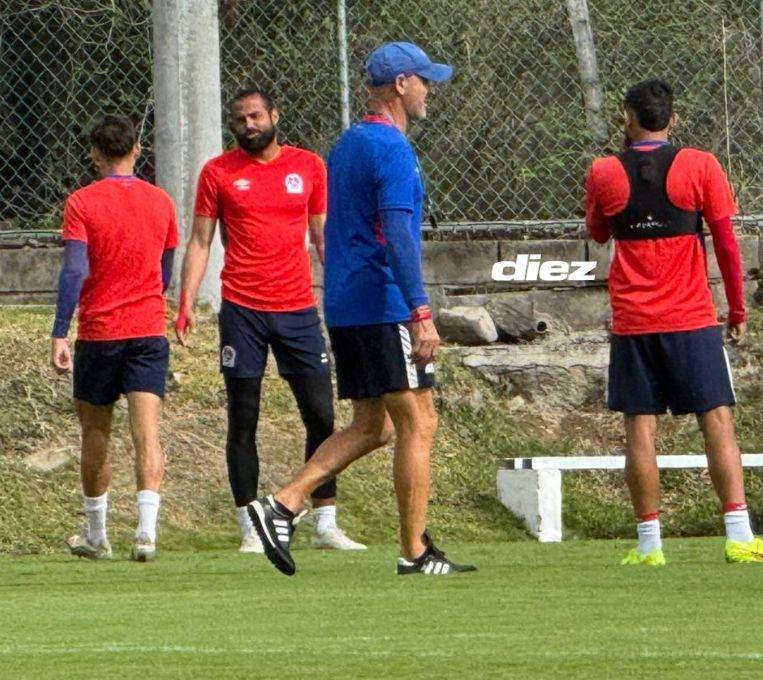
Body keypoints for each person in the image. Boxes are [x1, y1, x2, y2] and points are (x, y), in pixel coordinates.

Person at [248, 42, 475, 577]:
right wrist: (420, 309)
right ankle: (412, 552)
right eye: (424, 80)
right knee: (417, 421)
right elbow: (396, 232)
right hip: (383, 301)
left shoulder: (350, 142)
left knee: (377, 426)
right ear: (401, 84)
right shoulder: (391, 149)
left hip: (348, 301)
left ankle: (283, 504)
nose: (429, 90)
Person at [584, 79, 763, 565]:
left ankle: (649, 546)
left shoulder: (604, 171)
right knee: (717, 420)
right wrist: (737, 310)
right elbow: (726, 242)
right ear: (673, 120)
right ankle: (739, 537)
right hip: (691, 318)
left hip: (634, 321)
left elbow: (596, 232)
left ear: (626, 117)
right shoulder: (701, 165)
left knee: (640, 427)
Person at [176, 88, 364, 553]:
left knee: (320, 414)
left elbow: (322, 235)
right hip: (241, 308)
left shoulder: (308, 166)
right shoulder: (217, 172)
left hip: (298, 308)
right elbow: (200, 241)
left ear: (274, 116)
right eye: (239, 119)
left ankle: (324, 522)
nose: (248, 125)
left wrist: (344, 290)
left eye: (256, 116)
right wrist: (184, 302)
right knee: (244, 416)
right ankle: (249, 527)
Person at [52, 114, 177, 562]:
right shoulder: (161, 201)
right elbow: (165, 269)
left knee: (96, 432)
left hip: (101, 333)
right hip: (147, 329)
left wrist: (60, 330)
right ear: (137, 148)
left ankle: (97, 534)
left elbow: (74, 270)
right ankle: (146, 534)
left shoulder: (81, 203)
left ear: (95, 154)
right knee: (147, 432)